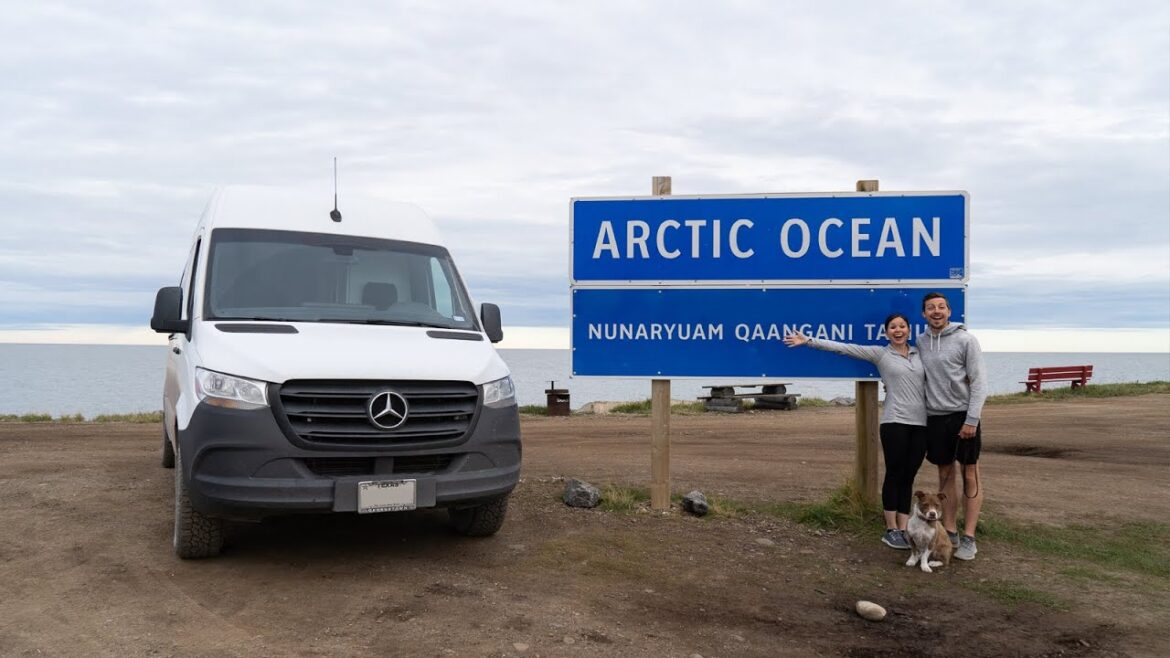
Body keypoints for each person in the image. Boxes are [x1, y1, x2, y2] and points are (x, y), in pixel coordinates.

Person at [784, 314, 927, 551]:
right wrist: (808, 340)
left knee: (909, 477)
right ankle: (891, 529)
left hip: (921, 424)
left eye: (902, 326)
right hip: (895, 422)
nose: (898, 330)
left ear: (909, 331)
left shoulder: (919, 354)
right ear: (886, 333)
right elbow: (845, 348)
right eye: (893, 327)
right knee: (894, 473)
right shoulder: (880, 354)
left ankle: (904, 528)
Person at [917, 291, 987, 561]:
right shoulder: (922, 342)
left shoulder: (966, 340)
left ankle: (969, 537)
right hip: (935, 417)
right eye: (931, 308)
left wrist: (972, 419)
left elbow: (979, 382)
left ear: (949, 311)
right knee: (945, 476)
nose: (936, 311)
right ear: (924, 314)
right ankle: (950, 530)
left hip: (963, 416)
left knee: (970, 474)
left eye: (941, 307)